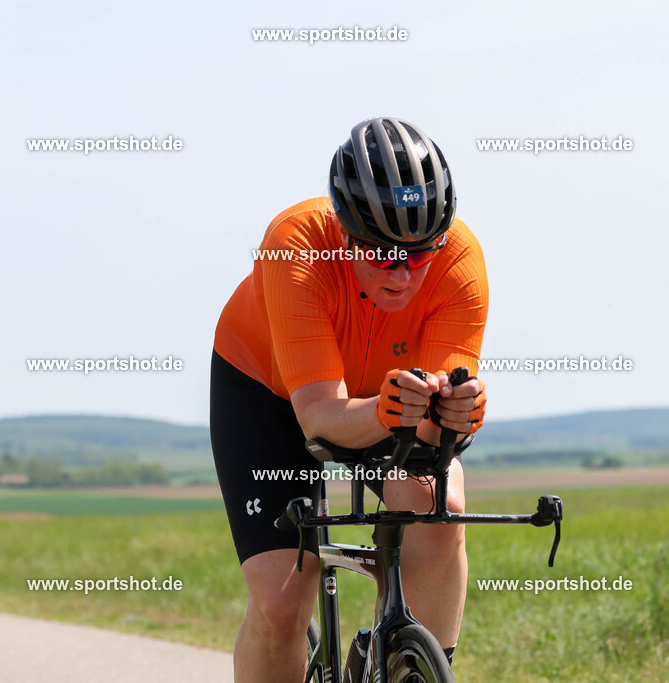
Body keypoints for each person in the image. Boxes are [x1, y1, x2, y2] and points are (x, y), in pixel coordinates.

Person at [209, 117, 488, 682]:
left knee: (440, 512)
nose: (402, 274)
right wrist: (389, 410)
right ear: (343, 230)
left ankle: (410, 666)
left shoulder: (460, 261)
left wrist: (457, 416)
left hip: (389, 395)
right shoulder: (295, 245)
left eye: (421, 252)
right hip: (270, 392)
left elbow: (432, 435)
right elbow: (318, 416)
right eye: (381, 252)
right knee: (283, 601)